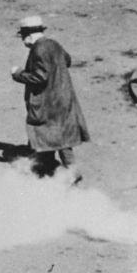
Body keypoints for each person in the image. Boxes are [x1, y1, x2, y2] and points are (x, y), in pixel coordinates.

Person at [10, 15, 89, 182]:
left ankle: (71, 173)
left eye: (23, 37)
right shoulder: (53, 44)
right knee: (59, 137)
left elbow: (39, 77)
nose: (23, 41)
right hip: (63, 99)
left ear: (29, 36)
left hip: (48, 103)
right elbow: (67, 60)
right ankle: (49, 166)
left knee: (52, 136)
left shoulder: (38, 49)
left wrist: (18, 74)